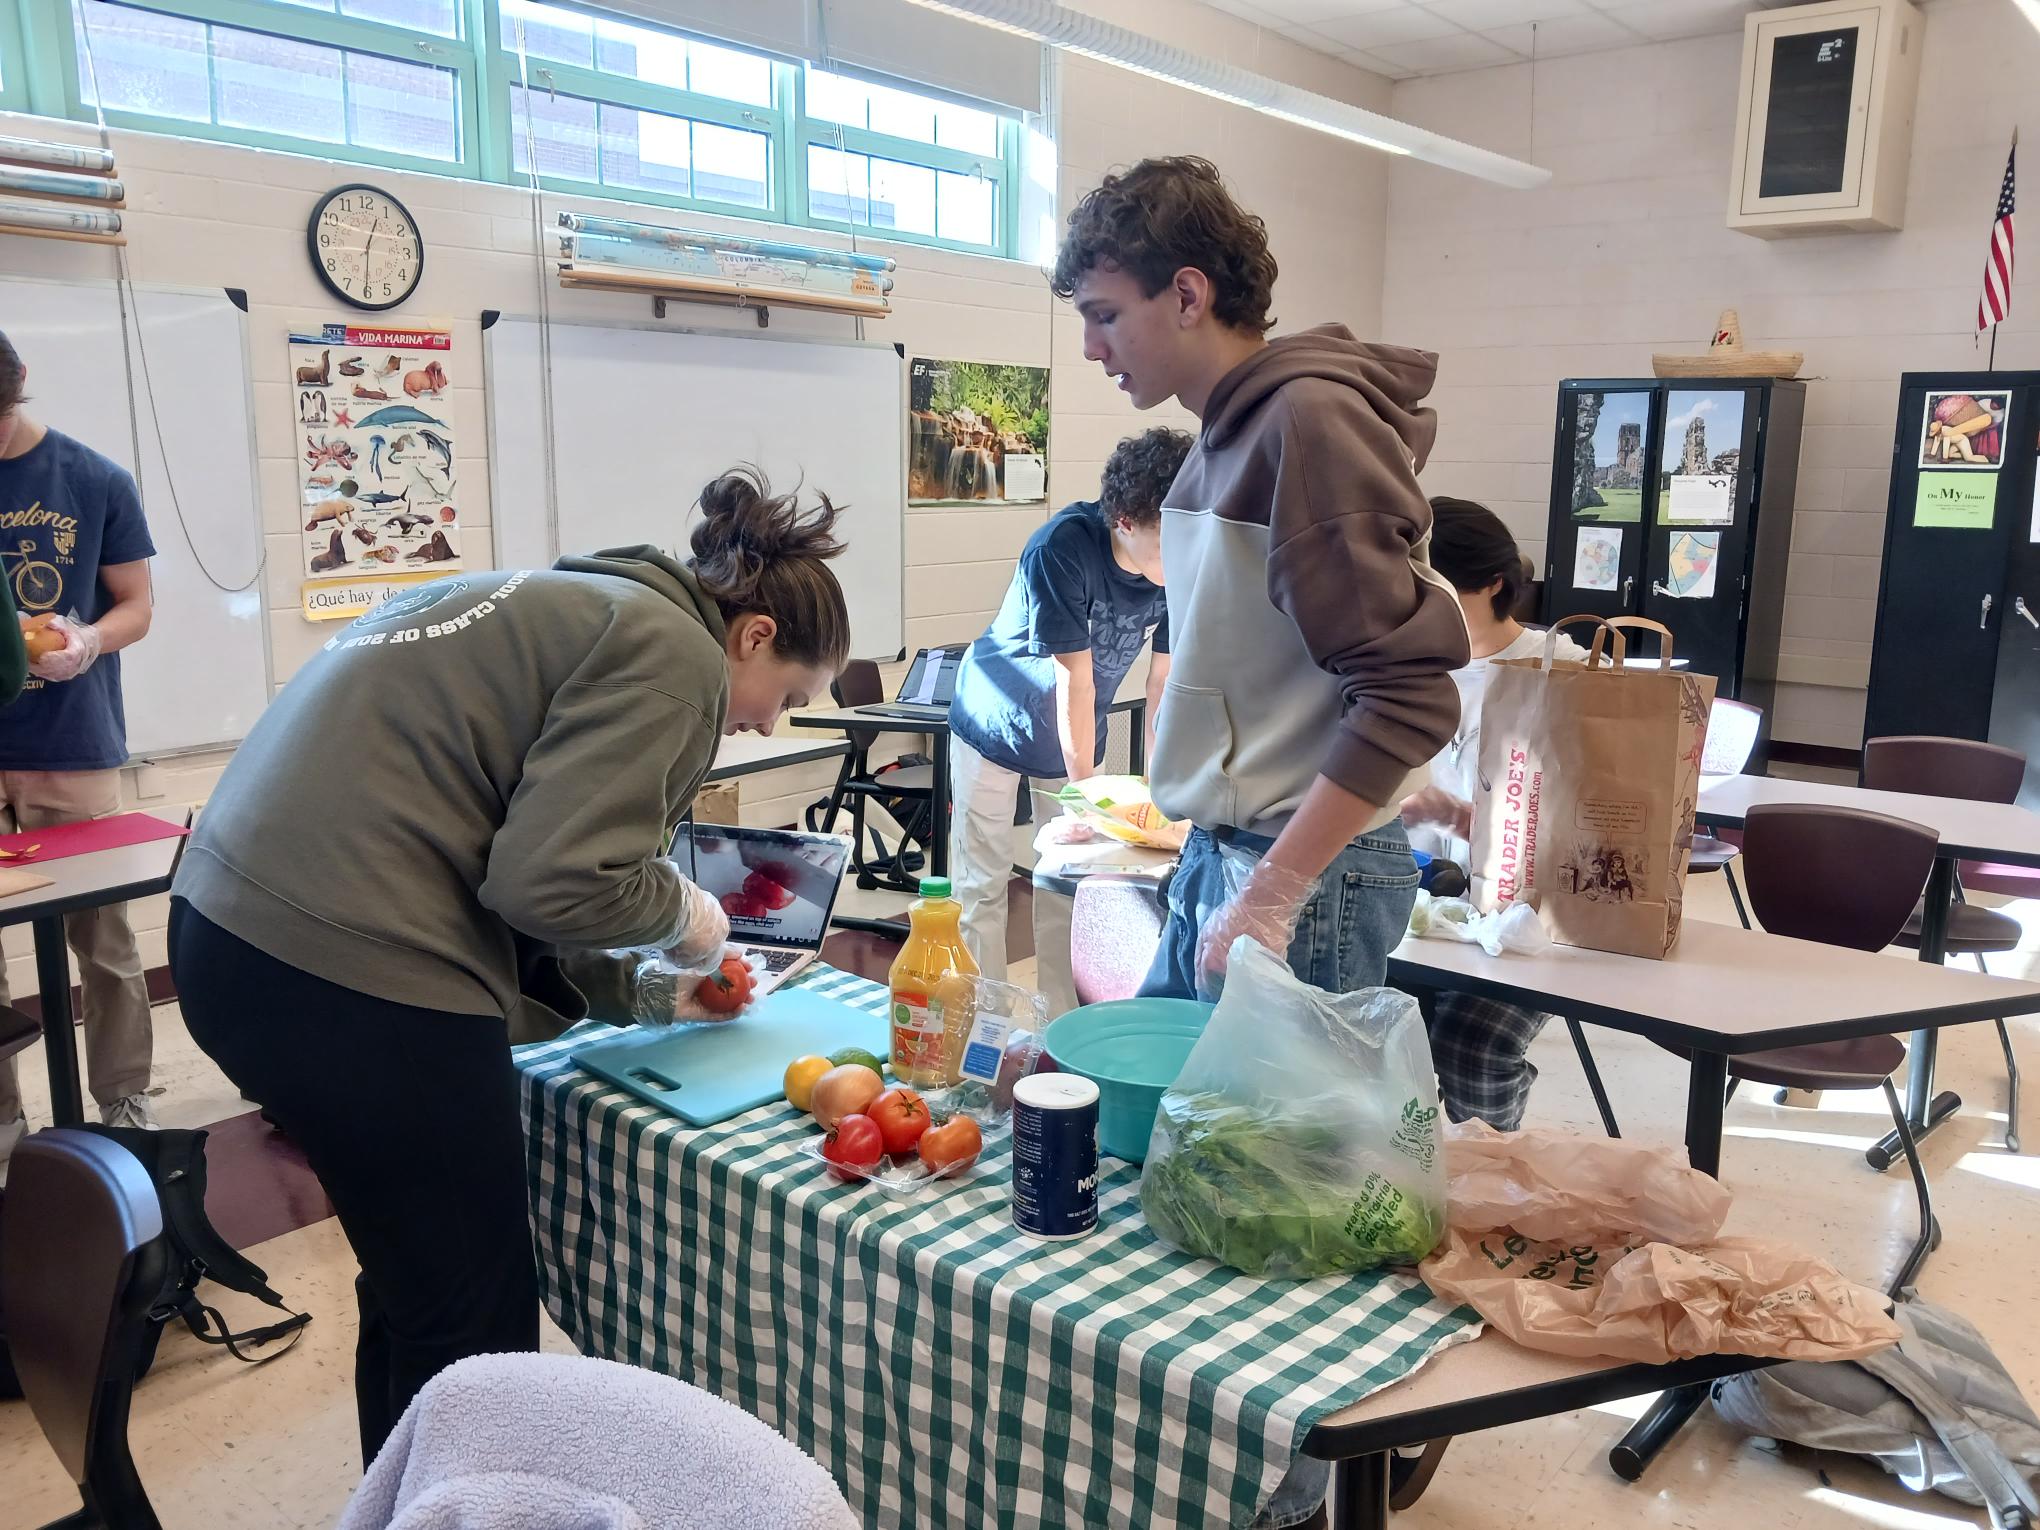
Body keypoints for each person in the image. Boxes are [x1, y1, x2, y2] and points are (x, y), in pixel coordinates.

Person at [167, 468, 852, 1464]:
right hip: (347, 966)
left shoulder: (563, 602)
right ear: (749, 636)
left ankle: (400, 1505)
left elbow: (513, 878)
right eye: (787, 694)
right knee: (475, 1323)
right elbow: (549, 879)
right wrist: (691, 920)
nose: (768, 723)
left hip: (230, 937)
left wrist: (649, 988)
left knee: (416, 1286)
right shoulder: (674, 654)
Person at [946, 426, 1191, 986]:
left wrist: (1160, 796)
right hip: (995, 721)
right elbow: (1073, 683)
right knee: (982, 884)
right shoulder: (1062, 548)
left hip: (1075, 730)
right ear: (1125, 521)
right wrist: (1089, 801)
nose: (1183, 560)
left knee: (1073, 883)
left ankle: (1058, 1028)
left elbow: (1165, 685)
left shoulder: (1179, 568)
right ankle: (986, 1037)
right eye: (1168, 543)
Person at [0, 329, 158, 1167]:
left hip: (73, 742)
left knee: (104, 942)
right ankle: (1, 1119)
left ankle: (123, 1099)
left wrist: (89, 641)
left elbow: (136, 602)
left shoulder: (93, 479)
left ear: (20, 384)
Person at [1400, 497, 1585, 1131]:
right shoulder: (1407, 664)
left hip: (1525, 920)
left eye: (1439, 589)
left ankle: (1490, 1191)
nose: (1422, 607)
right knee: (1377, 1024)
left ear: (1494, 584)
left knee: (1473, 1047)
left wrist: (1467, 821)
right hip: (1423, 901)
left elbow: (1591, 837)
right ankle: (1406, 1177)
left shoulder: (1565, 674)